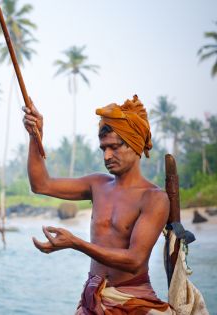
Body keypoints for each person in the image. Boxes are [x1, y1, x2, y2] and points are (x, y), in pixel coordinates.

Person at [23, 95, 174, 314]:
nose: (107, 155)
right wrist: (35, 135)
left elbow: (135, 260)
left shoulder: (154, 198)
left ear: (134, 144)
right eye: (103, 148)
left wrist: (76, 243)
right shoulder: (98, 184)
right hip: (93, 298)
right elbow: (41, 185)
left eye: (114, 147)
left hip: (133, 300)